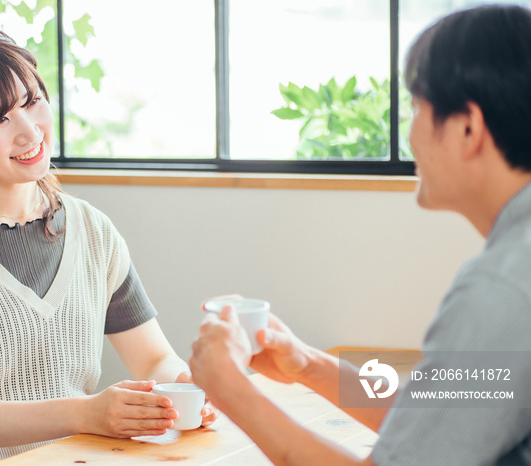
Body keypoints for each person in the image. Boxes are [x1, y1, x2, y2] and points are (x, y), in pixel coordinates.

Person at [189, 4, 531, 465]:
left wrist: (231, 390)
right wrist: (310, 365)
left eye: (416, 109)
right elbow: (433, 416)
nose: (410, 136)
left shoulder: (502, 287)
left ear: (467, 127)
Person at [0, 26, 216, 466]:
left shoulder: (92, 229)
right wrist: (86, 414)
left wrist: (188, 392)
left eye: (31, 102)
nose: (29, 131)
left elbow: (153, 361)